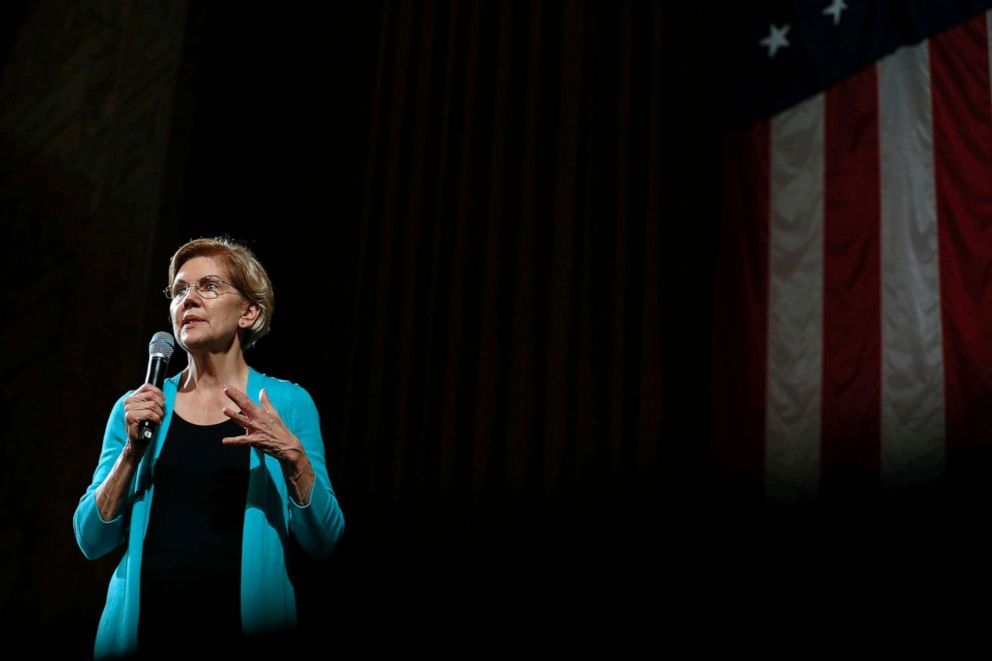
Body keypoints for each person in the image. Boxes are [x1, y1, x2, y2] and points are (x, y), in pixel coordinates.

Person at [73, 236, 345, 659]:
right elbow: (91, 539)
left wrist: (294, 459)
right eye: (180, 289)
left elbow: (325, 540)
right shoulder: (140, 407)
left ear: (249, 312)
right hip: (142, 636)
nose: (190, 299)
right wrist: (131, 451)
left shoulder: (287, 403)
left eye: (209, 286)